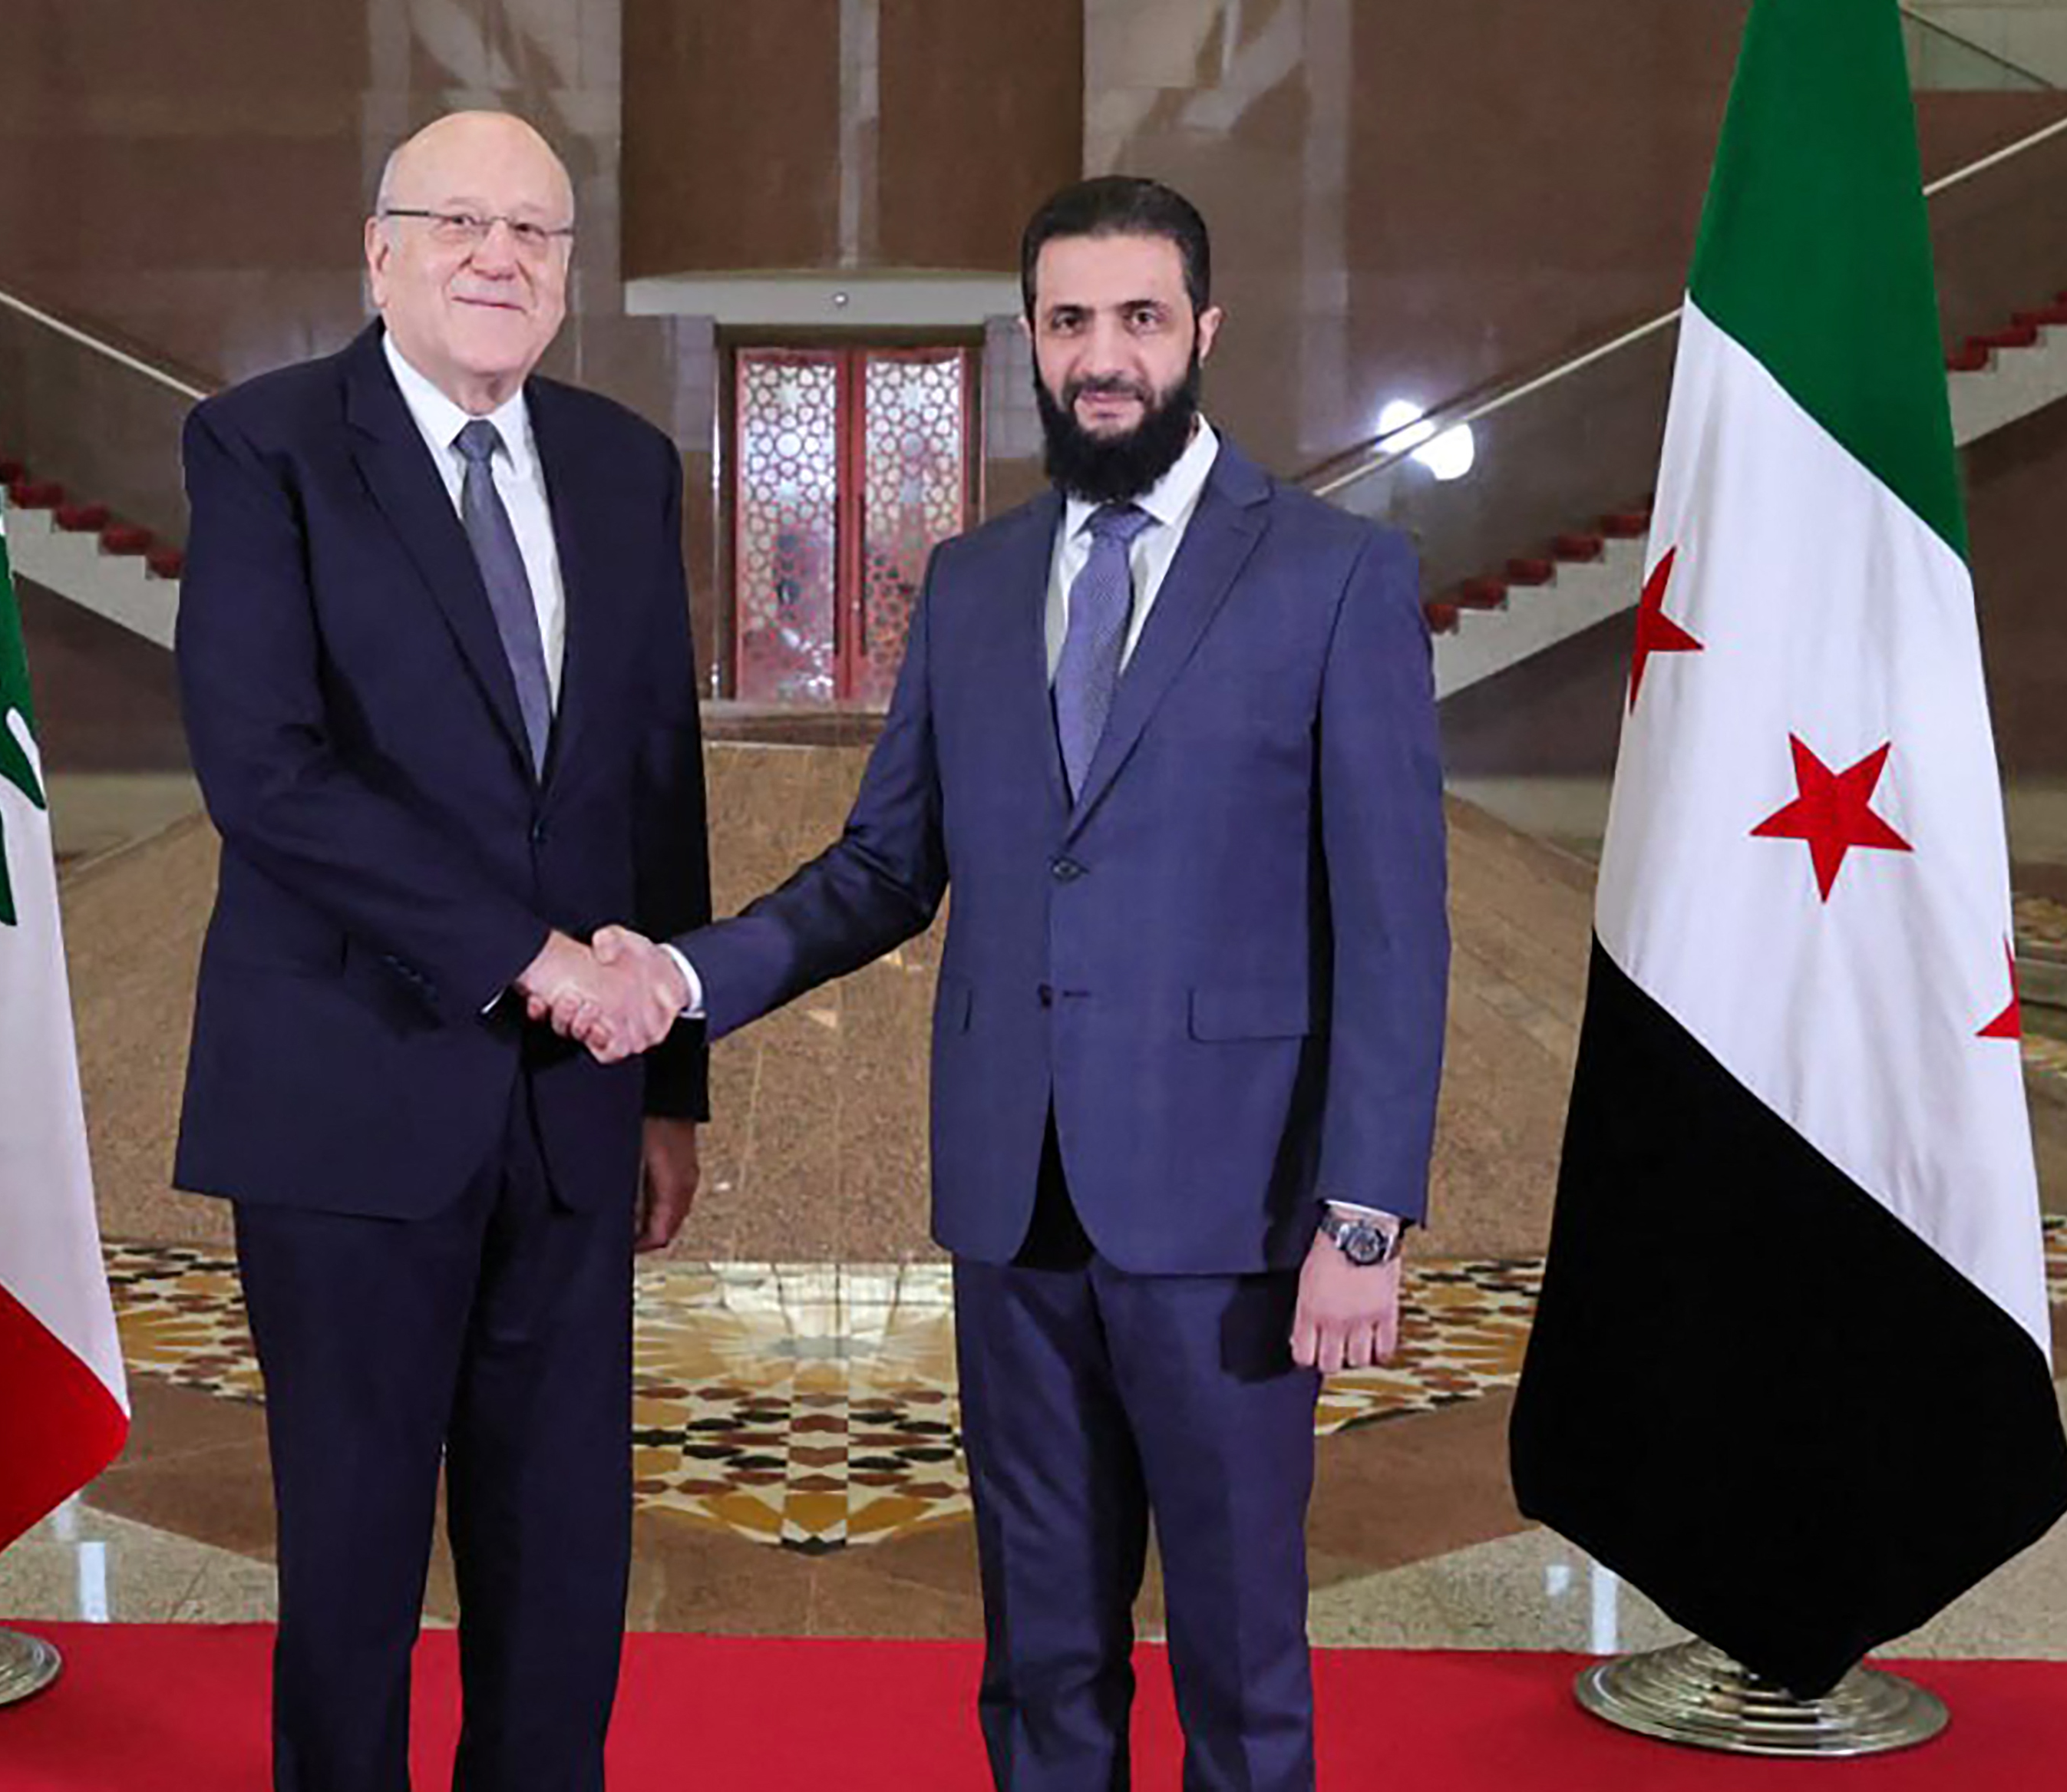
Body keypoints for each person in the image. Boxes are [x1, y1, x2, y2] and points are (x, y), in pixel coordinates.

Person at [552, 176, 1448, 1791]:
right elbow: (884, 868)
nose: (1102, 358)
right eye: (1068, 322)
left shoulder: (1332, 576)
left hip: (1235, 1214)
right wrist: (682, 975)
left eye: (1138, 319)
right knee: (1040, 1646)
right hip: (1012, 1205)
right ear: (1031, 340)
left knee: (1242, 1657)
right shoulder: (971, 582)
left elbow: (1394, 924)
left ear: (1203, 330)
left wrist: (1362, 1216)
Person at [170, 111, 708, 1792]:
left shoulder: (623, 465)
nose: (499, 257)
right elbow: (265, 772)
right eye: (460, 221)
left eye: (535, 233)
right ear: (379, 247)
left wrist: (672, 1083)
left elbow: (652, 780)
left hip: (574, 1113)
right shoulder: (265, 449)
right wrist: (526, 954)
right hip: (347, 1091)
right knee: (352, 1553)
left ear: (567, 272)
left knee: (562, 1557)